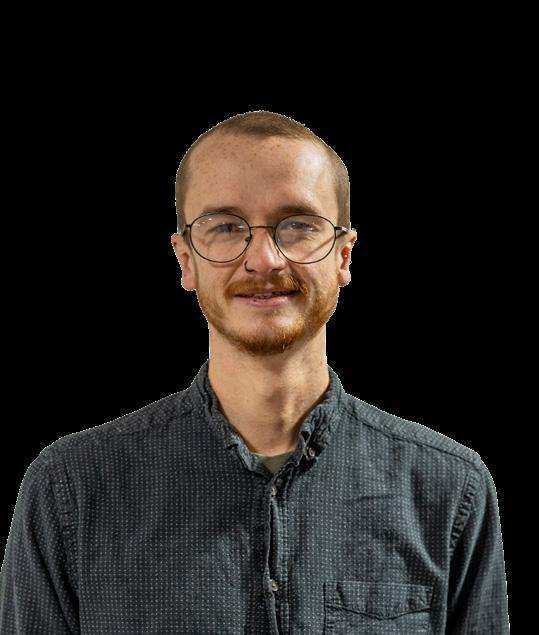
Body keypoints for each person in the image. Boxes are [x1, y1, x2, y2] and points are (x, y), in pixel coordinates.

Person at [0, 111, 509, 633]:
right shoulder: (71, 491)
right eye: (225, 226)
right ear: (185, 259)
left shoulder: (448, 490)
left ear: (344, 255)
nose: (264, 259)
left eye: (299, 225)